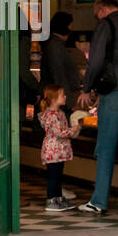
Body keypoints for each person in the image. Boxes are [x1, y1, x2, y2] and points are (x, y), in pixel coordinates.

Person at [77, 0, 118, 215]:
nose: (96, 17)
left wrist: (87, 88)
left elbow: (96, 60)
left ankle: (99, 201)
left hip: (113, 94)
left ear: (101, 9)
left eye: (95, 13)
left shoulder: (105, 25)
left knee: (106, 149)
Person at [38, 84, 80, 212]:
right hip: (53, 150)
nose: (65, 96)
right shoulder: (52, 115)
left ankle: (58, 198)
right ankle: (51, 199)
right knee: (53, 176)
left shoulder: (59, 113)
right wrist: (72, 130)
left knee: (58, 175)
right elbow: (59, 132)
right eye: (62, 95)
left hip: (58, 151)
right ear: (54, 99)